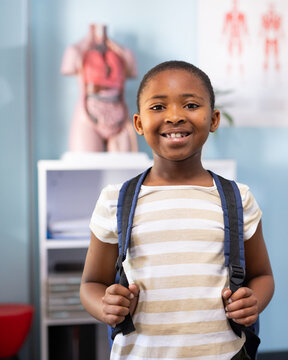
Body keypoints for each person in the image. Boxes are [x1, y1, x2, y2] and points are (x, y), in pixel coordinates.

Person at [80, 60, 274, 359]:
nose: (174, 117)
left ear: (213, 119)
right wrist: (104, 305)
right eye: (158, 107)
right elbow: (91, 284)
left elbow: (262, 275)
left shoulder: (238, 198)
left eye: (191, 105)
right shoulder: (115, 200)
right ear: (139, 123)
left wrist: (253, 302)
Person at [61, 24, 138, 152]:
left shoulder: (120, 53)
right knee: (86, 165)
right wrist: (87, 39)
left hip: (118, 113)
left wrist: (112, 43)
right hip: (88, 112)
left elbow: (132, 71)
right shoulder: (80, 52)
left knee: (125, 165)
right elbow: (67, 67)